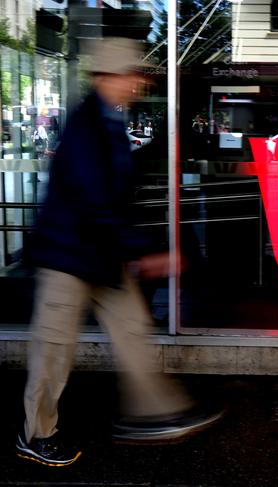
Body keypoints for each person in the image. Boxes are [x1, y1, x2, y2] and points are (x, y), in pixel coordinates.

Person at [16, 37, 224, 468]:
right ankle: (35, 434)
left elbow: (114, 193)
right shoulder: (86, 126)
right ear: (107, 78)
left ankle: (156, 412)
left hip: (100, 255)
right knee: (53, 352)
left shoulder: (109, 121)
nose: (137, 84)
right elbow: (95, 201)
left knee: (132, 331)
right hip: (68, 257)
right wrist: (144, 252)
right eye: (131, 76)